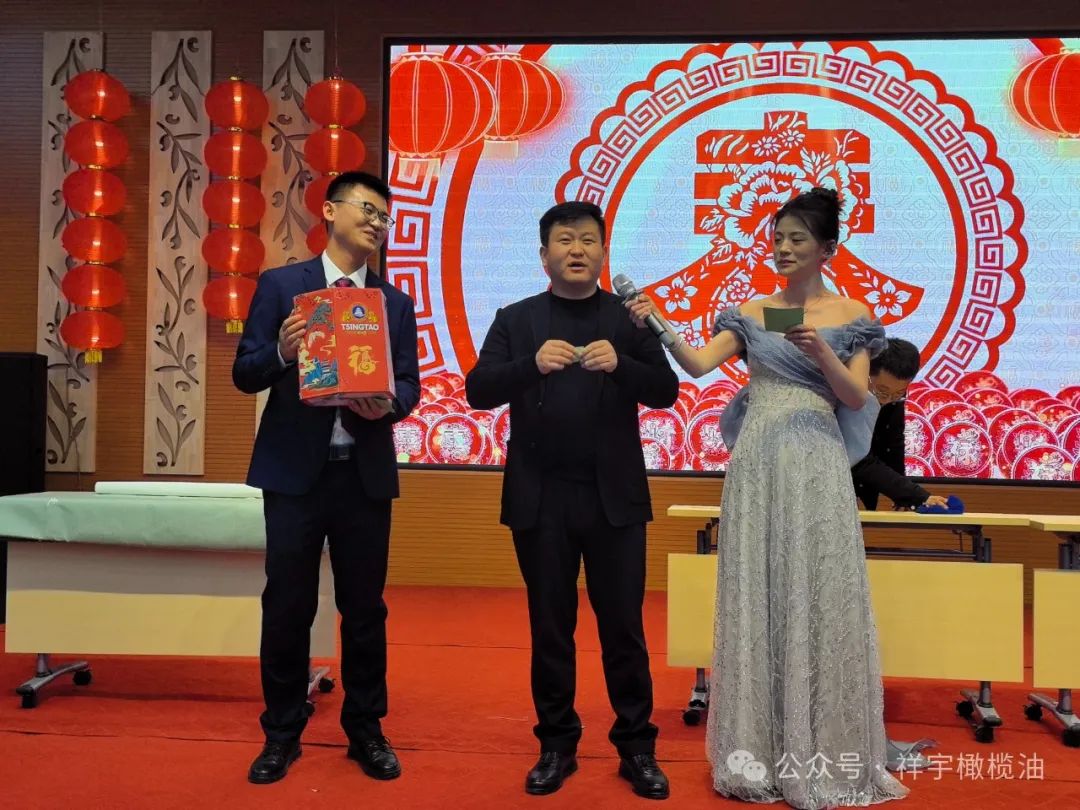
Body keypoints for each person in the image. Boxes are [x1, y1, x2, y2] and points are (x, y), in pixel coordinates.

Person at [629, 188, 908, 809]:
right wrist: (657, 321)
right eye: (778, 237)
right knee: (758, 587)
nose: (782, 248)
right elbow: (697, 365)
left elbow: (856, 397)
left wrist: (821, 351)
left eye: (796, 239)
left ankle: (822, 751)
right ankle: (758, 751)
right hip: (758, 460)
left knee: (818, 586)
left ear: (827, 248)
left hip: (817, 458)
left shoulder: (851, 314)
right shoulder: (754, 312)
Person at [465, 201, 678, 800]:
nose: (577, 249)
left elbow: (666, 391)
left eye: (588, 239)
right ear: (544, 255)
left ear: (603, 253)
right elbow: (478, 390)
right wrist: (530, 366)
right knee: (550, 628)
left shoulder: (629, 319)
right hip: (541, 498)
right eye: (564, 240)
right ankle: (556, 744)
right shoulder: (516, 318)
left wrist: (623, 367)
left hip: (615, 499)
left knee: (624, 628)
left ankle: (636, 747)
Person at [233, 170, 420, 785]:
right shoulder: (282, 286)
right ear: (330, 210)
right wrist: (283, 352)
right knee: (287, 604)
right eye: (367, 209)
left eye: (384, 216)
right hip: (294, 475)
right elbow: (245, 372)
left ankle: (366, 729)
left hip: (363, 475)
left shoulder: (393, 303)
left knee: (364, 608)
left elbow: (409, 385)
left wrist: (388, 404)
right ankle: (281, 732)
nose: (377, 223)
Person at [854, 338, 948, 511]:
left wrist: (902, 498)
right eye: (882, 391)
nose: (887, 400)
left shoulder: (894, 400)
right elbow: (859, 458)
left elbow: (892, 446)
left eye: (899, 393)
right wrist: (916, 496)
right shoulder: (844, 398)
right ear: (865, 371)